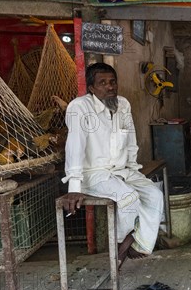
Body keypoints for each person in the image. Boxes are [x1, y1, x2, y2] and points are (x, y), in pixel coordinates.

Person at [61, 62, 164, 267]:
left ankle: (138, 244)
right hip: (94, 174)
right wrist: (74, 187)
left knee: (155, 195)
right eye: (103, 83)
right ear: (91, 88)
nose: (110, 87)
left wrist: (134, 170)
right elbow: (75, 146)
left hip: (122, 171)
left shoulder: (123, 104)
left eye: (112, 82)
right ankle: (121, 245)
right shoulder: (79, 107)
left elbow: (131, 139)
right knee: (129, 197)